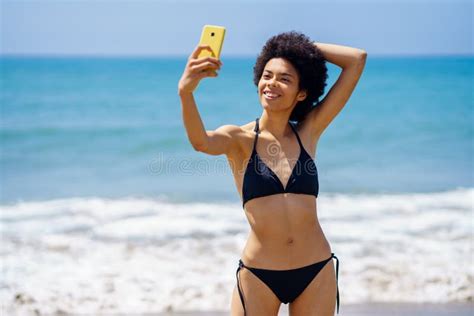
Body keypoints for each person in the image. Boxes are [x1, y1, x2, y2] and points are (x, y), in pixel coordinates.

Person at [178, 31, 367, 316]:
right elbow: (201, 142)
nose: (272, 83)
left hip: (315, 270)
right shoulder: (239, 138)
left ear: (302, 93)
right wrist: (186, 92)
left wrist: (299, 50)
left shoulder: (308, 132)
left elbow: (356, 60)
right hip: (259, 275)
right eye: (267, 75)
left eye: (285, 78)